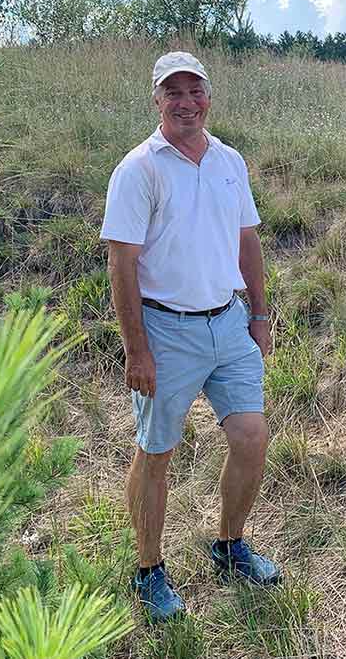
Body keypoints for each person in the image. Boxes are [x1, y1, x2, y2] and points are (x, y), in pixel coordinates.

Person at [100, 51, 279, 622]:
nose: (186, 103)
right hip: (166, 329)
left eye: (194, 91)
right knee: (157, 452)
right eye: (172, 93)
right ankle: (148, 569)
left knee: (252, 437)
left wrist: (259, 314)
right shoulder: (139, 169)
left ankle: (228, 546)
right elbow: (121, 264)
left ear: (209, 96)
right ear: (156, 100)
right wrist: (137, 349)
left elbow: (246, 240)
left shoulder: (229, 160)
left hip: (228, 322)